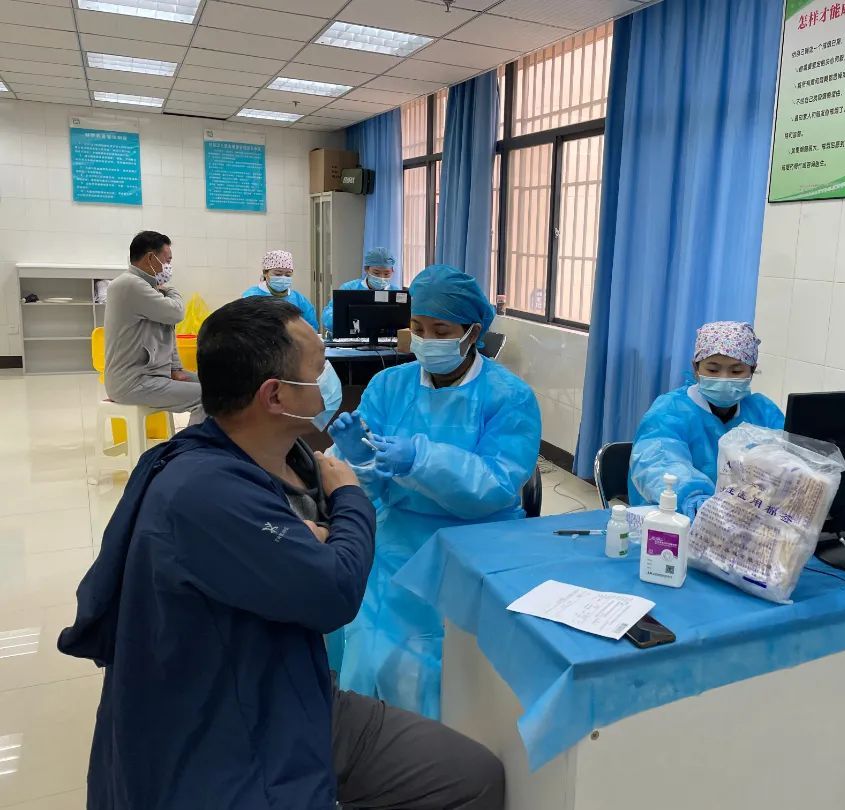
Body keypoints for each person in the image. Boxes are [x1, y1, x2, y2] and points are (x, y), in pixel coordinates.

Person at [59, 296, 505, 810]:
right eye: (319, 369)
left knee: (474, 773)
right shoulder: (203, 492)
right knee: (464, 778)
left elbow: (299, 541)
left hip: (288, 682)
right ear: (274, 395)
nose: (329, 380)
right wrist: (349, 496)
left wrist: (317, 530)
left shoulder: (269, 453)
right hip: (229, 722)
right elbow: (334, 588)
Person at [328, 264, 541, 719]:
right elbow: (371, 490)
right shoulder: (389, 385)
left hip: (479, 545)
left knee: (453, 679)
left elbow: (496, 484)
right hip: (399, 542)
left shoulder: (509, 396)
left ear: (472, 332)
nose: (426, 340)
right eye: (418, 327)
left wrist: (419, 459)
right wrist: (360, 462)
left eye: (441, 331)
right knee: (372, 658)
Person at [629, 321, 785, 519]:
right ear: (696, 368)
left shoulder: (763, 412)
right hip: (678, 518)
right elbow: (658, 461)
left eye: (736, 371)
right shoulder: (670, 411)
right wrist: (693, 499)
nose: (724, 378)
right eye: (713, 370)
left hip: (748, 520)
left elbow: (788, 460)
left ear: (752, 371)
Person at [104, 230, 203, 424]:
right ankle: (193, 443)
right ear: (150, 258)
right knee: (208, 397)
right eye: (167, 261)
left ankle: (214, 439)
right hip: (134, 381)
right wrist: (171, 290)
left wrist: (176, 368)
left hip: (155, 375)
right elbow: (176, 313)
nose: (168, 267)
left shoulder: (149, 288)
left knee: (218, 386)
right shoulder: (129, 285)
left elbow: (169, 328)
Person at [321, 246, 399, 335]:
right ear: (366, 269)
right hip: (352, 338)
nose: (381, 277)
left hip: (387, 340)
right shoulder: (349, 289)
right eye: (376, 273)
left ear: (393, 271)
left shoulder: (396, 292)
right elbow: (329, 315)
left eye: (386, 273)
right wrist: (342, 320)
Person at [241, 249, 319, 331]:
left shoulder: (299, 300)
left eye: (288, 275)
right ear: (265, 273)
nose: (283, 278)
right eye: (278, 274)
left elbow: (311, 328)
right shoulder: (251, 296)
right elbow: (243, 326)